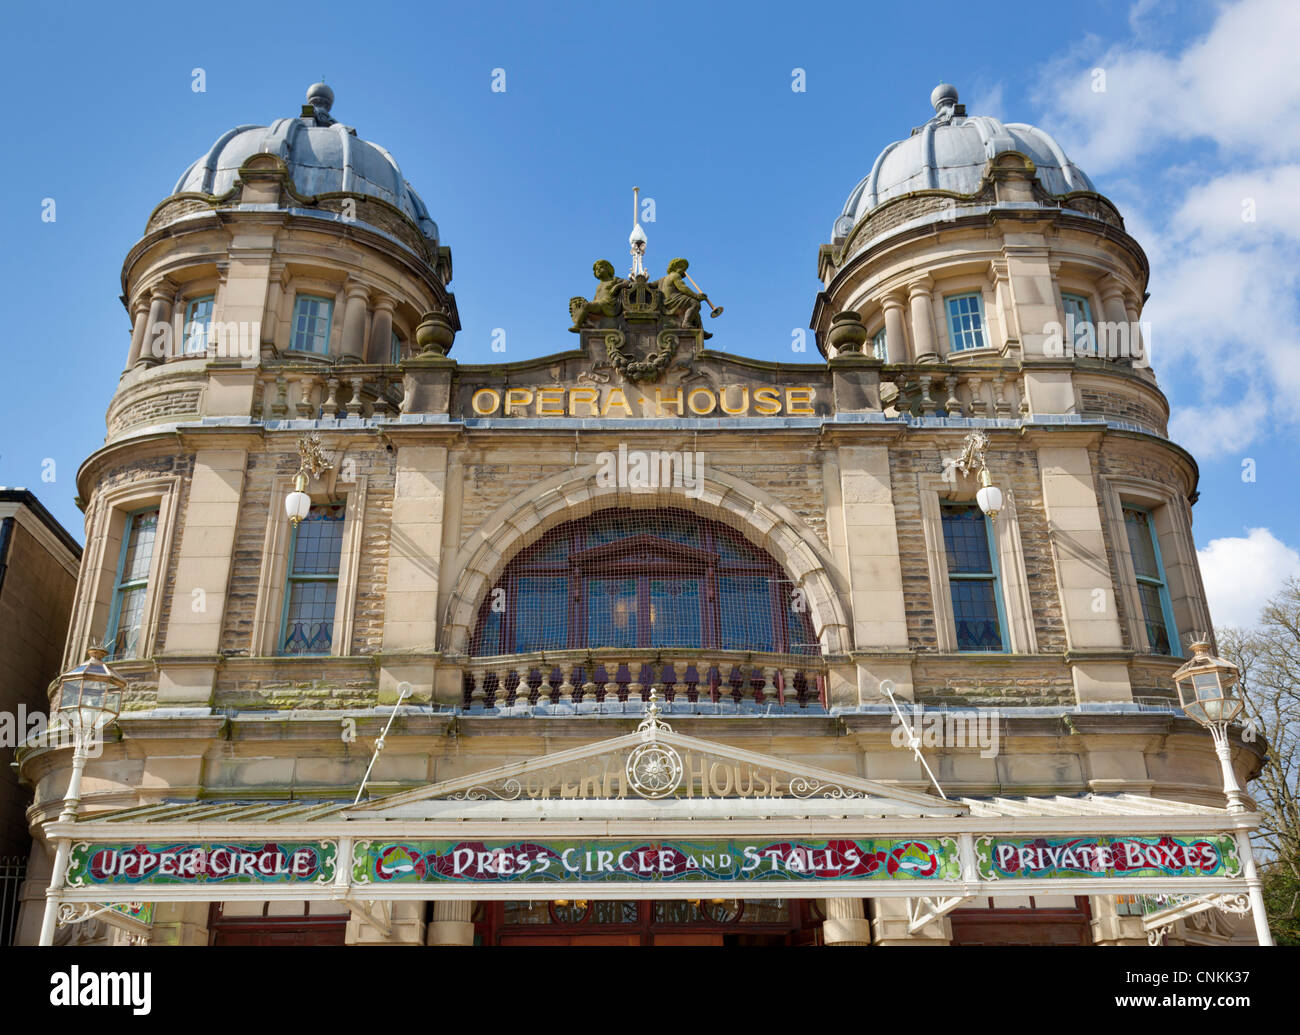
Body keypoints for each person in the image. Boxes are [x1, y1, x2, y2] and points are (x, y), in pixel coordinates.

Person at [569, 260, 626, 331]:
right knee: (584, 306)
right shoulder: (599, 285)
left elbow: (627, 282)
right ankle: (588, 324)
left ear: (608, 269)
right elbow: (596, 298)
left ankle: (578, 325)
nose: (598, 270)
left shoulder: (614, 280)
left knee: (586, 306)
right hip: (599, 303)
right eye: (596, 269)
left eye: (601, 267)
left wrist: (617, 286)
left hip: (608, 304)